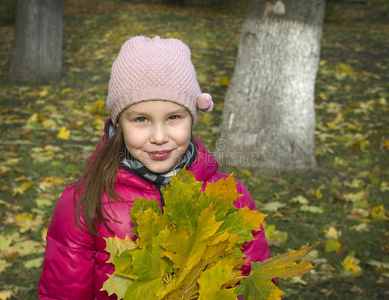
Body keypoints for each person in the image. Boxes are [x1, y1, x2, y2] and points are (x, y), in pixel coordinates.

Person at [38, 36, 271, 299]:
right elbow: (63, 292)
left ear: (192, 118)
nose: (159, 137)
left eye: (174, 117)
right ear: (119, 125)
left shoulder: (230, 198)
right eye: (141, 119)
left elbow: (252, 281)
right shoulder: (84, 203)